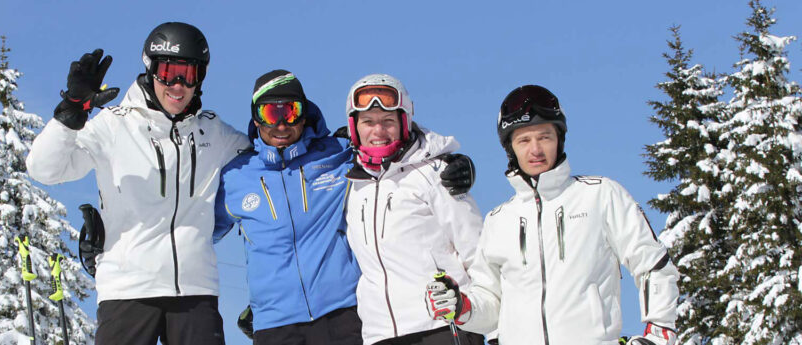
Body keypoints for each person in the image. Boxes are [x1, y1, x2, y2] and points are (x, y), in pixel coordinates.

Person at [26, 22, 249, 345]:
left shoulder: (213, 133)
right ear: (150, 69)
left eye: (188, 74)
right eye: (168, 71)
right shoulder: (114, 125)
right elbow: (45, 169)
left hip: (195, 291)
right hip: (127, 290)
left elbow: (267, 156)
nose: (177, 84)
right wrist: (71, 112)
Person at [214, 71, 476, 345]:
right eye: (271, 113)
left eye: (291, 112)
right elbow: (199, 225)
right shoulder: (236, 176)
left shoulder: (337, 154)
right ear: (256, 117)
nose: (281, 125)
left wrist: (453, 161)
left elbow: (392, 140)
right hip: (275, 324)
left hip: (342, 315)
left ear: (305, 114)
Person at [424, 85, 680, 345]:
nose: (535, 149)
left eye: (545, 137)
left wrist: (658, 332)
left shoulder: (600, 195)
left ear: (559, 139)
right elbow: (491, 306)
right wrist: (461, 306)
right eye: (523, 140)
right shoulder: (498, 220)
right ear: (510, 148)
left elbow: (652, 263)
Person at [341, 74, 485, 345]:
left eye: (388, 122)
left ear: (404, 123)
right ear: (354, 127)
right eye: (368, 122)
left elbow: (477, 252)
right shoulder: (353, 186)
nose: (378, 131)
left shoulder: (437, 174)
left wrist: (494, 327)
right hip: (381, 335)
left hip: (443, 327)